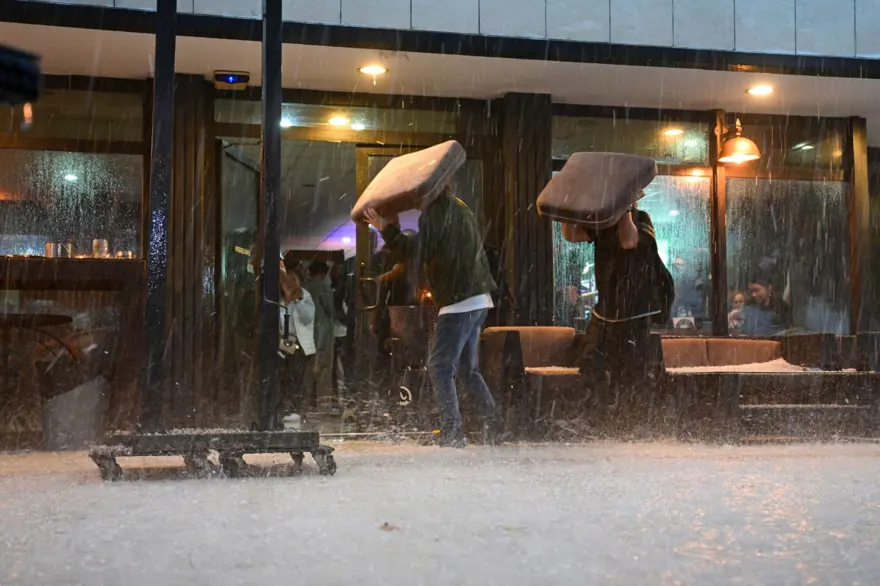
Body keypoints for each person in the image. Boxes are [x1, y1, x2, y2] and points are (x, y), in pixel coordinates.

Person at [363, 188, 499, 448]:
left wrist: (384, 228)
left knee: (439, 367)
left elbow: (416, 250)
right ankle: (493, 426)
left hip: (458, 300)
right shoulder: (457, 205)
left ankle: (452, 433)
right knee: (467, 370)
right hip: (478, 297)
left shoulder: (435, 212)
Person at [565, 204, 674, 414]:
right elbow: (571, 234)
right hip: (607, 311)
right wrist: (564, 208)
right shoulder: (602, 221)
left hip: (637, 313)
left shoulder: (640, 217)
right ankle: (594, 416)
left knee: (632, 376)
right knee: (590, 363)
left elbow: (628, 240)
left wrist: (625, 208)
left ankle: (631, 420)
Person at [277, 261, 315, 427]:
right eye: (286, 280)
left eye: (293, 280)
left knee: (297, 379)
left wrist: (297, 300)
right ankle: (282, 410)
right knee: (282, 378)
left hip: (299, 345)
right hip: (281, 344)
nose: (289, 283)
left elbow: (307, 318)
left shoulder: (305, 297)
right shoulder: (277, 299)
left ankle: (296, 410)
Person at [302, 261, 337, 412]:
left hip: (306, 335)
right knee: (324, 370)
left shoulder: (303, 288)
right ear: (323, 273)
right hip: (323, 334)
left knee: (308, 371)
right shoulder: (323, 288)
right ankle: (323, 405)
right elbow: (331, 310)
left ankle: (304, 404)